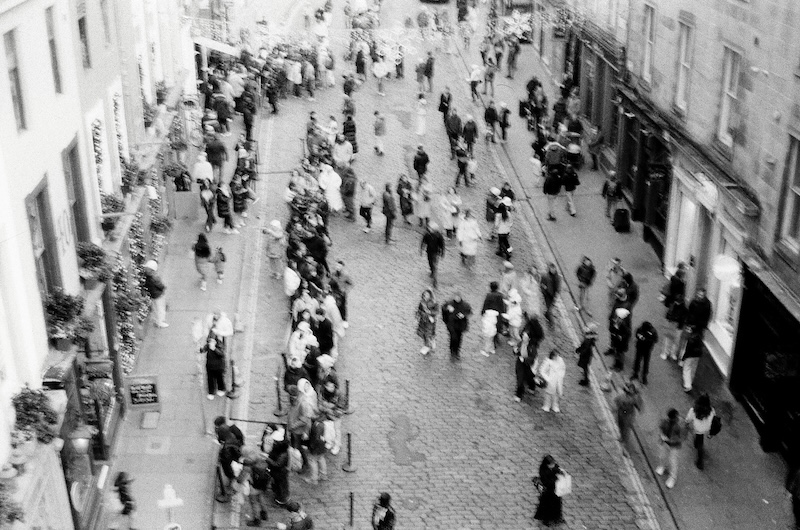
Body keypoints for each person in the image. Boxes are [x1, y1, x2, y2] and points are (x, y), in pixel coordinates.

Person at [656, 408, 685, 489]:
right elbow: (661, 427)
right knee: (662, 456)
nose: (669, 420)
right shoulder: (666, 420)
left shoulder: (681, 425)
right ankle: (662, 466)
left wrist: (670, 440)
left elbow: (682, 437)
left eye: (672, 419)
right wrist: (661, 435)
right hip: (665, 442)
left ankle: (672, 478)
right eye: (669, 418)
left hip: (674, 446)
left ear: (676, 417)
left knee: (673, 461)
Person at [686, 393, 715, 470]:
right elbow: (714, 419)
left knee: (700, 443)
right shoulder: (711, 410)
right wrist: (711, 433)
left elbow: (688, 419)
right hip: (707, 428)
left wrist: (687, 423)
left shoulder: (694, 410)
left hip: (698, 429)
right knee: (699, 438)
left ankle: (700, 461)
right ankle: (696, 443)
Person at [534, 455, 565, 525]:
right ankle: (546, 519)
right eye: (551, 464)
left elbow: (557, 469)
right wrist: (555, 479)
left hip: (555, 490)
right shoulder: (543, 471)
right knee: (547, 505)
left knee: (557, 504)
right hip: (548, 492)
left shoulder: (554, 466)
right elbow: (546, 482)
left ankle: (557, 517)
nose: (553, 465)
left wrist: (560, 472)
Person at [442, 292, 472, 358]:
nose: (457, 299)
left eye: (458, 297)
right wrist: (447, 309)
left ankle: (457, 351)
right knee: (453, 337)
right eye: (455, 297)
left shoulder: (465, 305)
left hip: (460, 325)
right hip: (452, 324)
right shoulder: (449, 304)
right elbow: (443, 309)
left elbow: (469, 312)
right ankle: (452, 351)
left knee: (459, 338)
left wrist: (463, 315)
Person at [265, 428, 290, 506]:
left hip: (280, 473)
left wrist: (267, 459)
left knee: (281, 487)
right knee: (278, 485)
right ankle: (279, 498)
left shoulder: (283, 454)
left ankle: (281, 500)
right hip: (277, 473)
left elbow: (278, 464)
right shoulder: (280, 450)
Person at [615, 382, 642, 447]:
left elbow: (639, 406)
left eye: (632, 389)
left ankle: (624, 440)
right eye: (629, 388)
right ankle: (621, 437)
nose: (630, 390)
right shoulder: (622, 395)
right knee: (620, 425)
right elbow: (617, 401)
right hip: (621, 412)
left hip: (629, 414)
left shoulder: (635, 398)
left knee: (626, 428)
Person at [143, 260, 168, 327]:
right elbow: (161, 286)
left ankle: (157, 320)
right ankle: (160, 322)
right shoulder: (154, 278)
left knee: (156, 308)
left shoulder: (147, 277)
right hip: (158, 295)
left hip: (153, 295)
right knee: (160, 309)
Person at [420, 222, 446, 288]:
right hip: (429, 252)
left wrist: (443, 252)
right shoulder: (427, 235)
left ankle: (435, 279)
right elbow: (423, 242)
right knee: (430, 262)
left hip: (436, 252)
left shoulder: (438, 236)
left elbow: (442, 244)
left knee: (434, 265)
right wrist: (421, 249)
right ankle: (432, 271)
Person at [416, 288, 438, 355]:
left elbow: (436, 312)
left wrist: (430, 312)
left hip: (430, 321)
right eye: (425, 294)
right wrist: (417, 315)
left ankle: (427, 346)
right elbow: (419, 310)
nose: (426, 296)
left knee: (428, 334)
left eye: (427, 295)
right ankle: (429, 345)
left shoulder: (433, 303)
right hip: (423, 320)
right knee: (423, 334)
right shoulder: (422, 302)